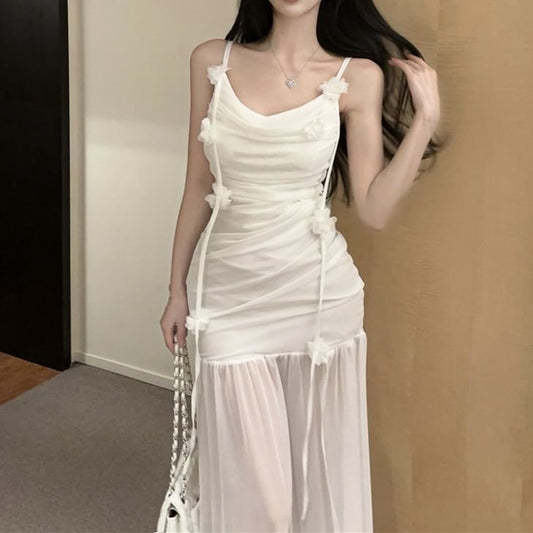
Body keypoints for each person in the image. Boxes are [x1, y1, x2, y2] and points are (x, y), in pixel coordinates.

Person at [160, 0, 443, 531]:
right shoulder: (211, 61)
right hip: (228, 297)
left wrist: (424, 120)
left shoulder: (356, 76)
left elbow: (374, 210)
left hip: (316, 298)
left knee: (314, 481)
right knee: (262, 500)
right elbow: (198, 184)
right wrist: (176, 287)